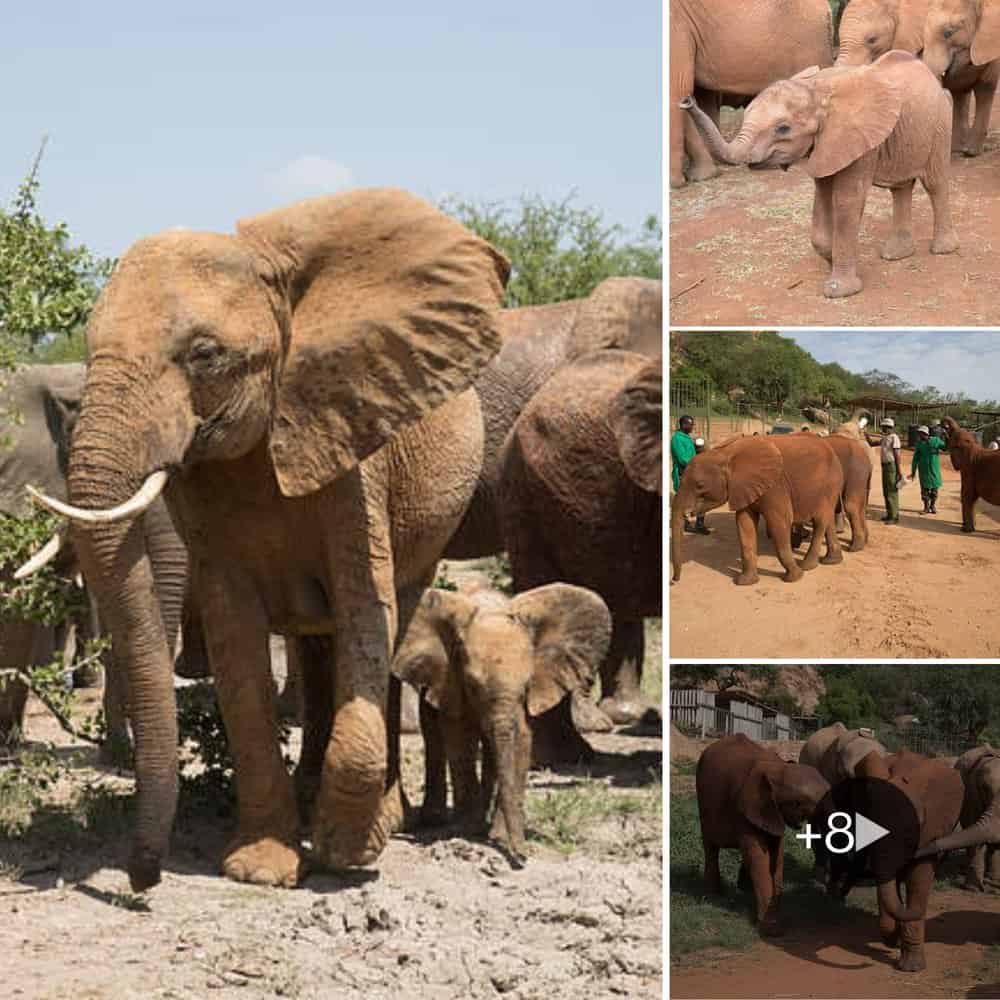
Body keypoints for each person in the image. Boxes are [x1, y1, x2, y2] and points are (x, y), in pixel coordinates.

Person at [865, 417, 902, 524]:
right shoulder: (886, 438)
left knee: (891, 491)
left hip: (891, 466)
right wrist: (866, 435)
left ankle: (894, 517)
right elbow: (872, 444)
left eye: (884, 427)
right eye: (883, 427)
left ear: (889, 427)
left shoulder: (894, 438)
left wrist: (899, 471)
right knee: (886, 491)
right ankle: (889, 514)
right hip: (885, 466)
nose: (883, 429)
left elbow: (897, 455)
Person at [911, 424, 947, 514]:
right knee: (925, 491)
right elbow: (915, 459)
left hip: (934, 470)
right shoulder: (919, 444)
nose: (919, 435)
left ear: (925, 433)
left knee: (934, 491)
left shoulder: (936, 441)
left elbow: (945, 448)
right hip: (923, 471)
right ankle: (926, 507)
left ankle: (932, 506)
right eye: (918, 434)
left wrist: (946, 437)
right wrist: (913, 471)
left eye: (920, 434)